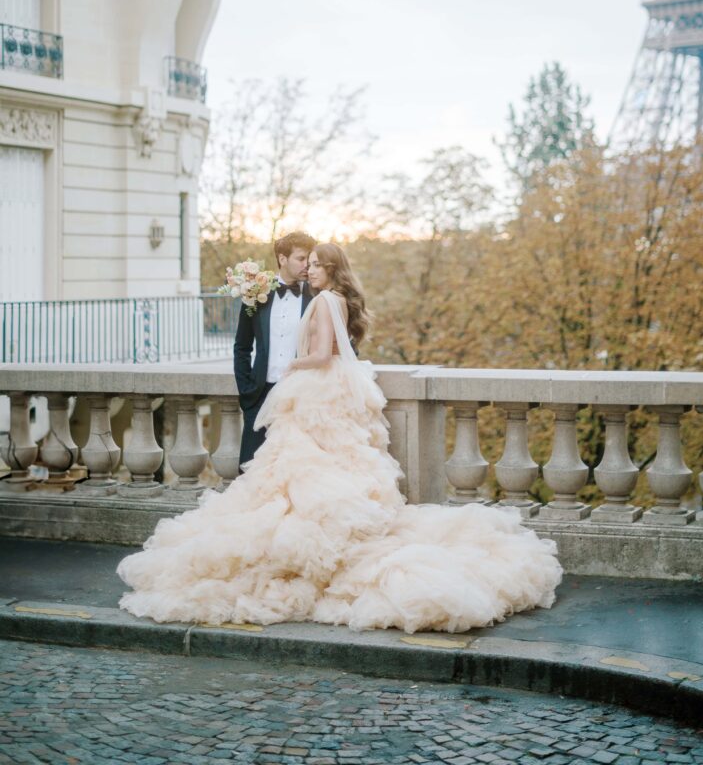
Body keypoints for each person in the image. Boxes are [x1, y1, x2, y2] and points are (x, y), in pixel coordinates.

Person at [118, 243, 562, 633]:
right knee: (315, 466)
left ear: (329, 268)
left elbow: (323, 353)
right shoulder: (334, 296)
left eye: (314, 264)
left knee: (307, 466)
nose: (308, 270)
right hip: (326, 387)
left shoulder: (327, 300)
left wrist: (292, 365)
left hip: (316, 387)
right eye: (305, 263)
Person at [233, 231, 315, 469]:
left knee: (294, 469)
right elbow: (242, 346)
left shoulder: (317, 295)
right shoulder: (255, 294)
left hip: (301, 396)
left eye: (309, 261)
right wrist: (247, 390)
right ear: (282, 259)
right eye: (301, 259)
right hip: (260, 395)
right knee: (251, 468)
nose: (306, 266)